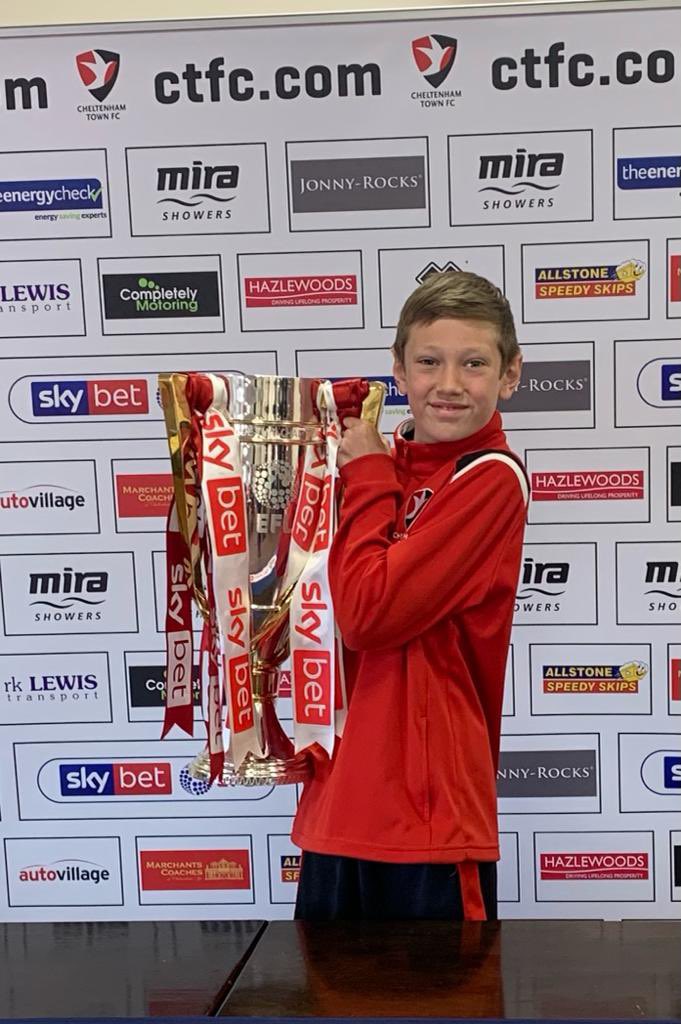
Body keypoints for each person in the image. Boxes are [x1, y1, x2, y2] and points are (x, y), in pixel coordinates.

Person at [291, 270, 528, 921]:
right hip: (337, 803)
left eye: (473, 363)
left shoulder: (490, 481)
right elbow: (312, 606)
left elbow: (369, 615)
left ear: (509, 375)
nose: (448, 383)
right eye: (429, 362)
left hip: (430, 823)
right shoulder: (377, 468)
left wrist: (364, 471)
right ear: (398, 370)